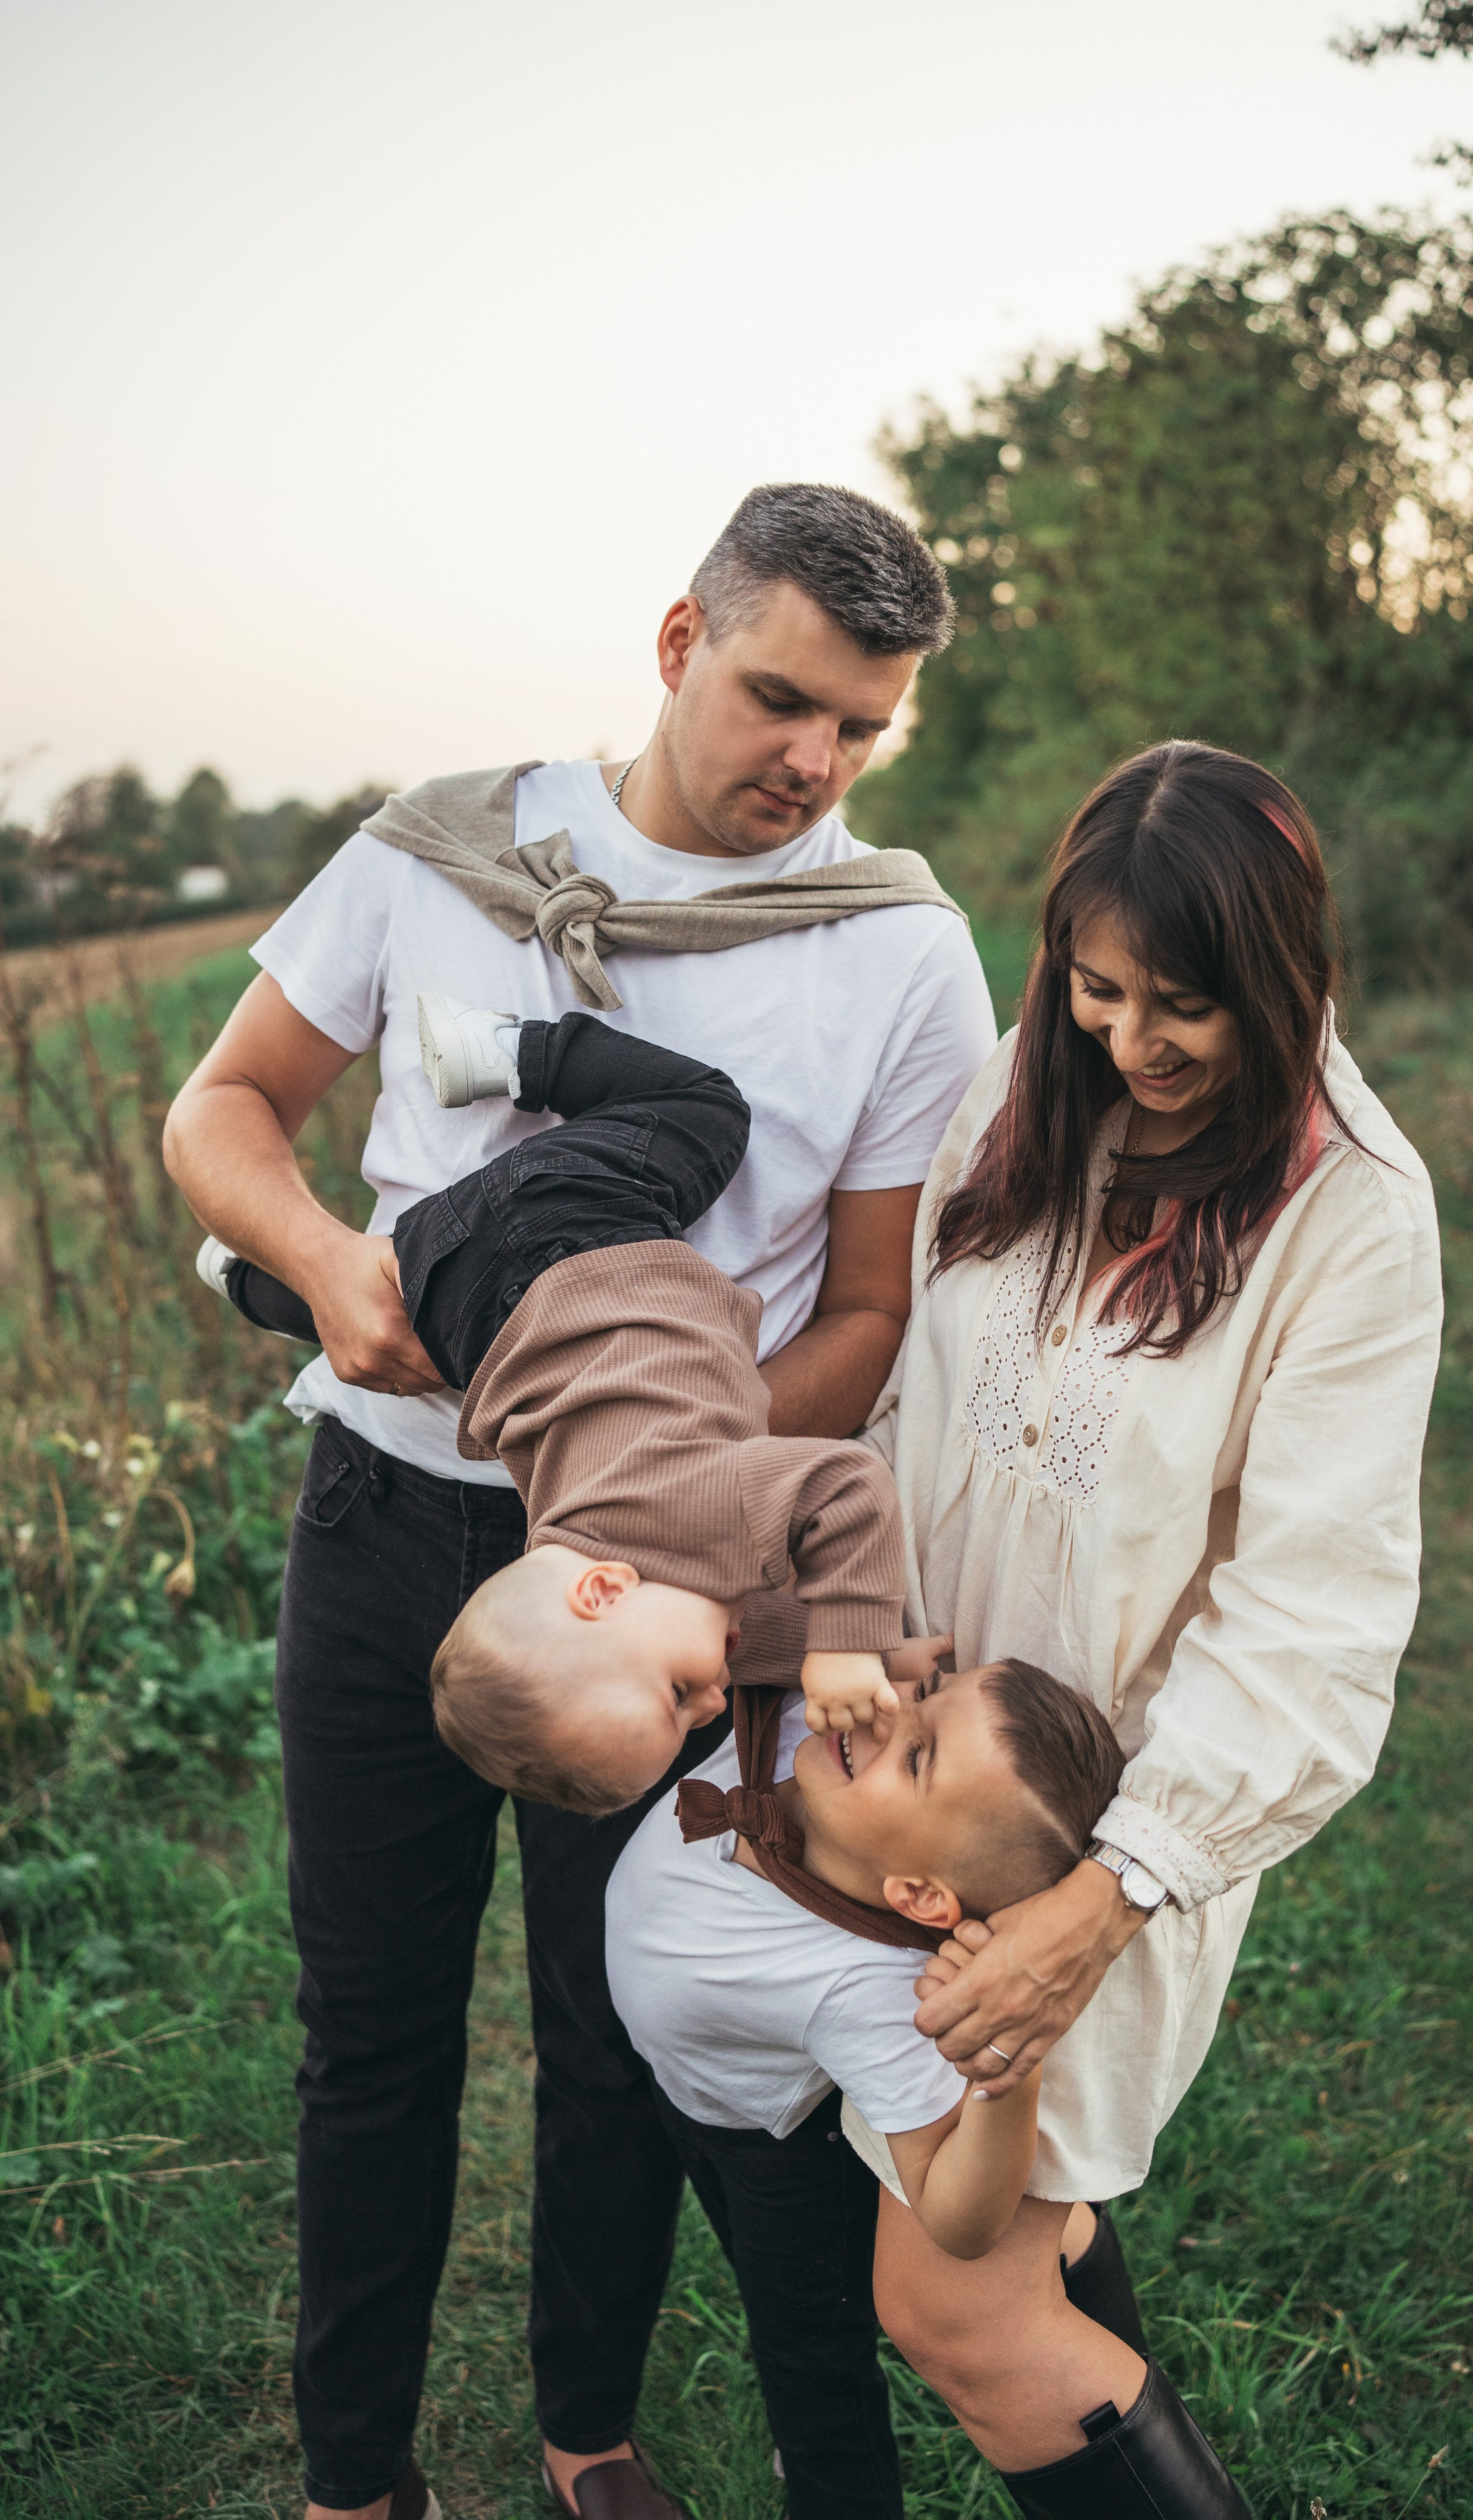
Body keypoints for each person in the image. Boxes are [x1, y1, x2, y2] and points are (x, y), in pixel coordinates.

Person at [161, 482, 997, 2520]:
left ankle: (585, 2432)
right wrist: (339, 1269)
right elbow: (223, 1109)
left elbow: (871, 1303)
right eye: (779, 696)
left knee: (618, 2017)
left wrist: (676, 1475)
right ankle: (353, 2477)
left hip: (670, 1578)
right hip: (384, 1528)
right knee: (372, 2029)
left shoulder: (894, 947)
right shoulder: (439, 847)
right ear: (674, 641)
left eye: (859, 728)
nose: (811, 760)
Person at [847, 742, 1443, 2514]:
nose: (1129, 1044)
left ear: (1285, 974)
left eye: (1183, 1007)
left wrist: (1108, 1899)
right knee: (1014, 2231)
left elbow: (1311, 1616)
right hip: (928, 1779)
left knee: (948, 2299)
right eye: (1096, 991)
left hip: (1115, 1822)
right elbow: (906, 1404)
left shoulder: (1350, 1216)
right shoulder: (1022, 1095)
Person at [201, 1003, 906, 1813]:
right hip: (458, 1312)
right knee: (396, 1329)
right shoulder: (591, 1547)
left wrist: (849, 1641)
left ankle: (511, 1050)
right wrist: (874, 1655)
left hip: (563, 1229)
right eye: (690, 1718)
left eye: (677, 1694)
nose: (709, 1705)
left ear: (602, 1594)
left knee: (704, 1109)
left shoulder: (698, 1506)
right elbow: (743, 1630)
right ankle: (248, 1281)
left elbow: (846, 1489)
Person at [604, 1653, 1250, 2520]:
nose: (884, 1716)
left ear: (917, 1892)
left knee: (809, 2361)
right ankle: (1085, 2294)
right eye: (925, 1696)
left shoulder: (871, 1996)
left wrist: (1007, 2080)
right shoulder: (815, 1714)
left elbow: (961, 2219)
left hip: (769, 2148)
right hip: (693, 2096)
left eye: (916, 1756)